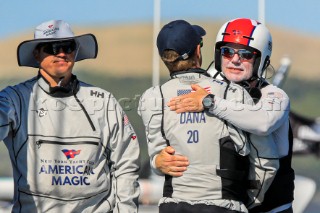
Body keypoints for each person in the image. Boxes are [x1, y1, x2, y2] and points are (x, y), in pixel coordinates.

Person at [138, 19, 278, 213]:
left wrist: (156, 163)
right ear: (198, 50)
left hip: (172, 207)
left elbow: (158, 160)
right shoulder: (233, 93)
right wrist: (250, 200)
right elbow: (266, 160)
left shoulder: (152, 98)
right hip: (225, 206)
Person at [1, 20, 140, 212]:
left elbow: (126, 163)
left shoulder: (104, 100)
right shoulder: (13, 99)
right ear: (36, 54)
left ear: (76, 51)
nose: (61, 53)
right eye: (51, 47)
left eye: (68, 46)